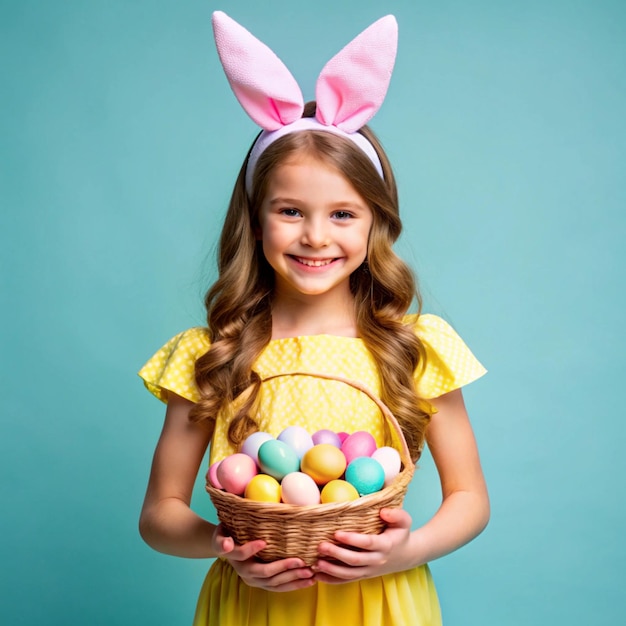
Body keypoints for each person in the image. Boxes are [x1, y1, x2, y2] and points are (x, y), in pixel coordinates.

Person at [138, 11, 489, 626]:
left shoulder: (415, 347)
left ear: (376, 222)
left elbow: (470, 500)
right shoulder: (210, 353)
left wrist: (406, 550)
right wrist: (227, 548)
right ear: (255, 220)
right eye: (291, 211)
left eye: (343, 215)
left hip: (379, 601)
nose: (316, 236)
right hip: (255, 603)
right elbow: (160, 514)